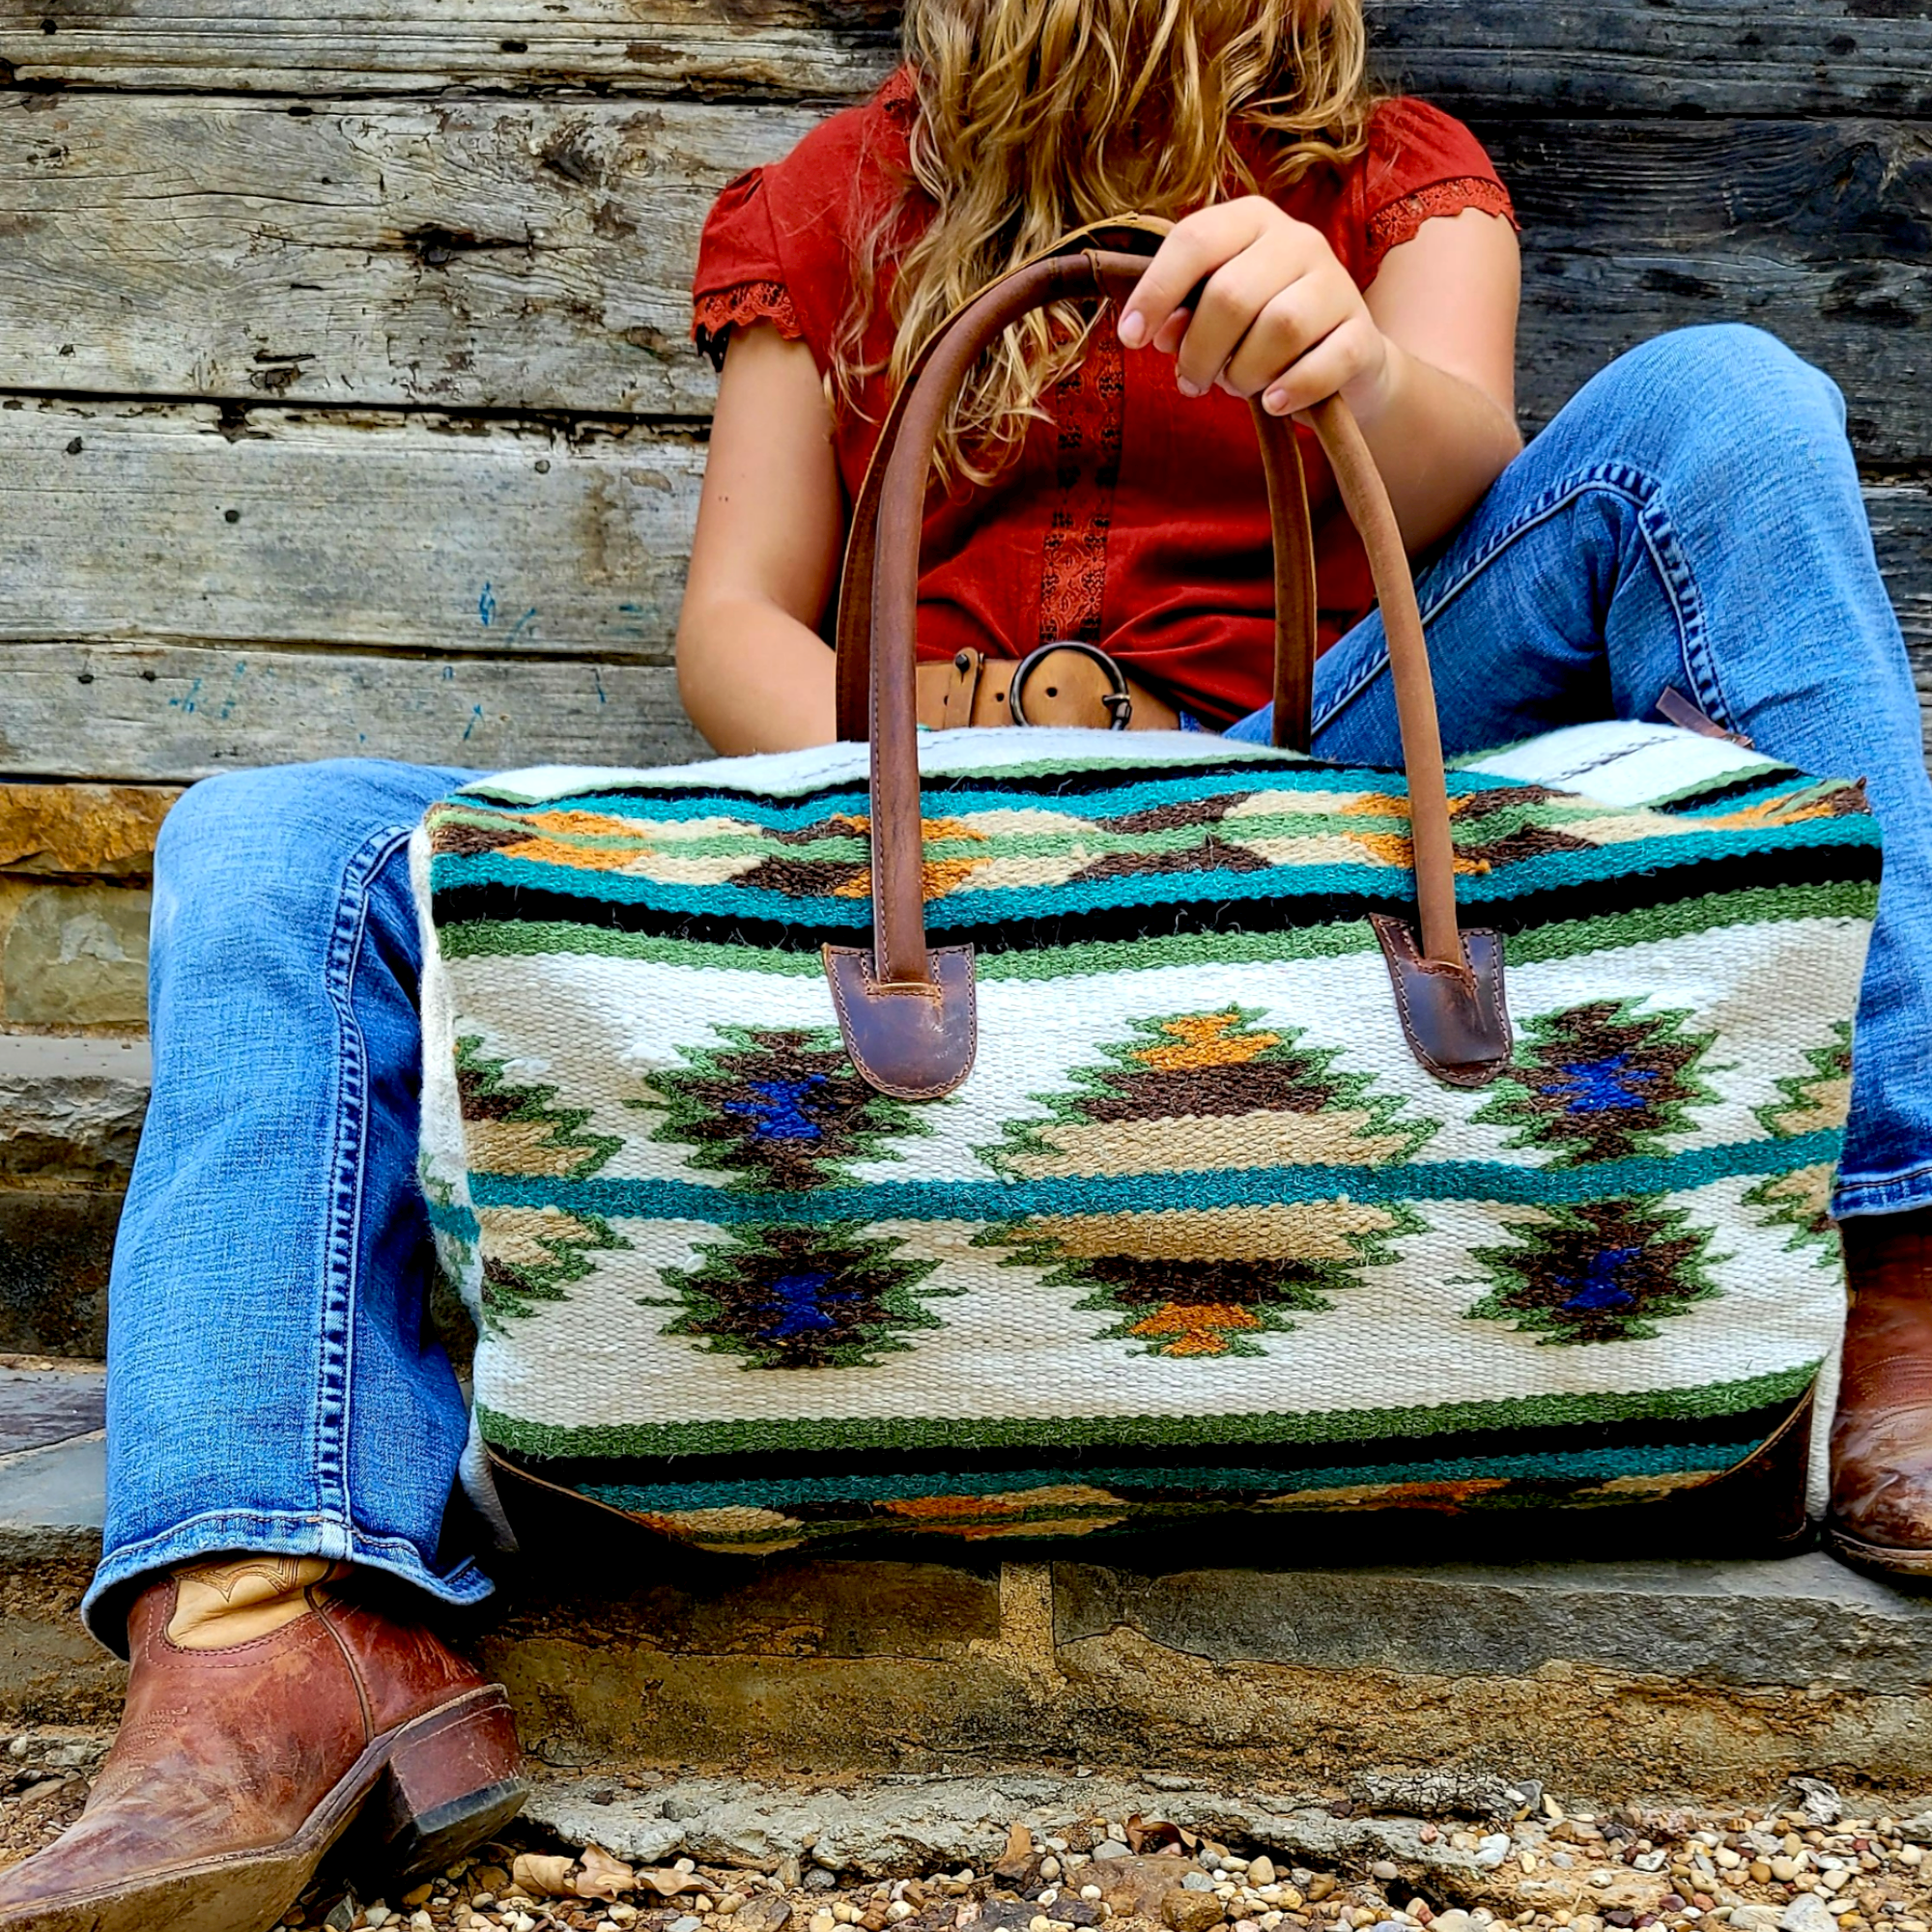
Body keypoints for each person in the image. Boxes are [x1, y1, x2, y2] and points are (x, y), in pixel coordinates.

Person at [3, 0, 1929, 1923]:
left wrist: (1345, 368)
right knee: (268, 838)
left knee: (1729, 410)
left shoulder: (1395, 178)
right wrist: (907, 812)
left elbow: (1473, 470)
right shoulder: (834, 204)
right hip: (901, 818)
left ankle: (1903, 1260)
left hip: (1303, 790)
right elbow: (739, 622)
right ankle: (264, 1624)